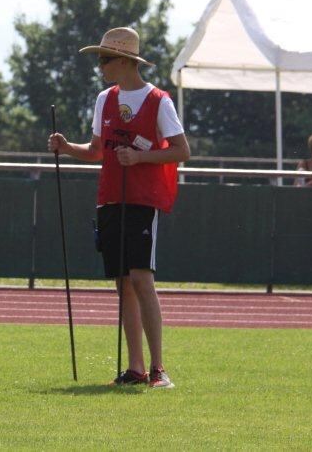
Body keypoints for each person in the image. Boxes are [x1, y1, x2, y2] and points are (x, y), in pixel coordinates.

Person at [47, 27, 189, 389]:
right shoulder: (103, 99)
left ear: (126, 61)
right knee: (123, 283)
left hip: (143, 201)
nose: (101, 66)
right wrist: (66, 147)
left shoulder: (159, 101)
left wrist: (140, 157)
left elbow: (181, 150)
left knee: (142, 278)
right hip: (109, 198)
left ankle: (159, 369)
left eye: (105, 59)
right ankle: (135, 367)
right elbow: (96, 150)